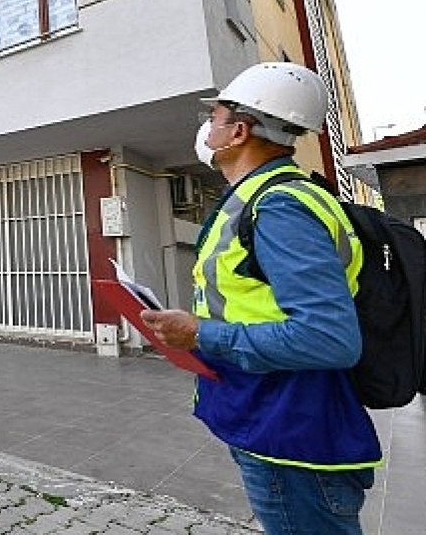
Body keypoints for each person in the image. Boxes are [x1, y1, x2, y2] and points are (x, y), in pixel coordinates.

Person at [141, 62, 381, 535]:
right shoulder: (260, 196)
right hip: (267, 418)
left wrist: (199, 332)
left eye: (216, 116)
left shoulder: (280, 205)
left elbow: (328, 338)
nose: (207, 125)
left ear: (239, 132)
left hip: (290, 432)